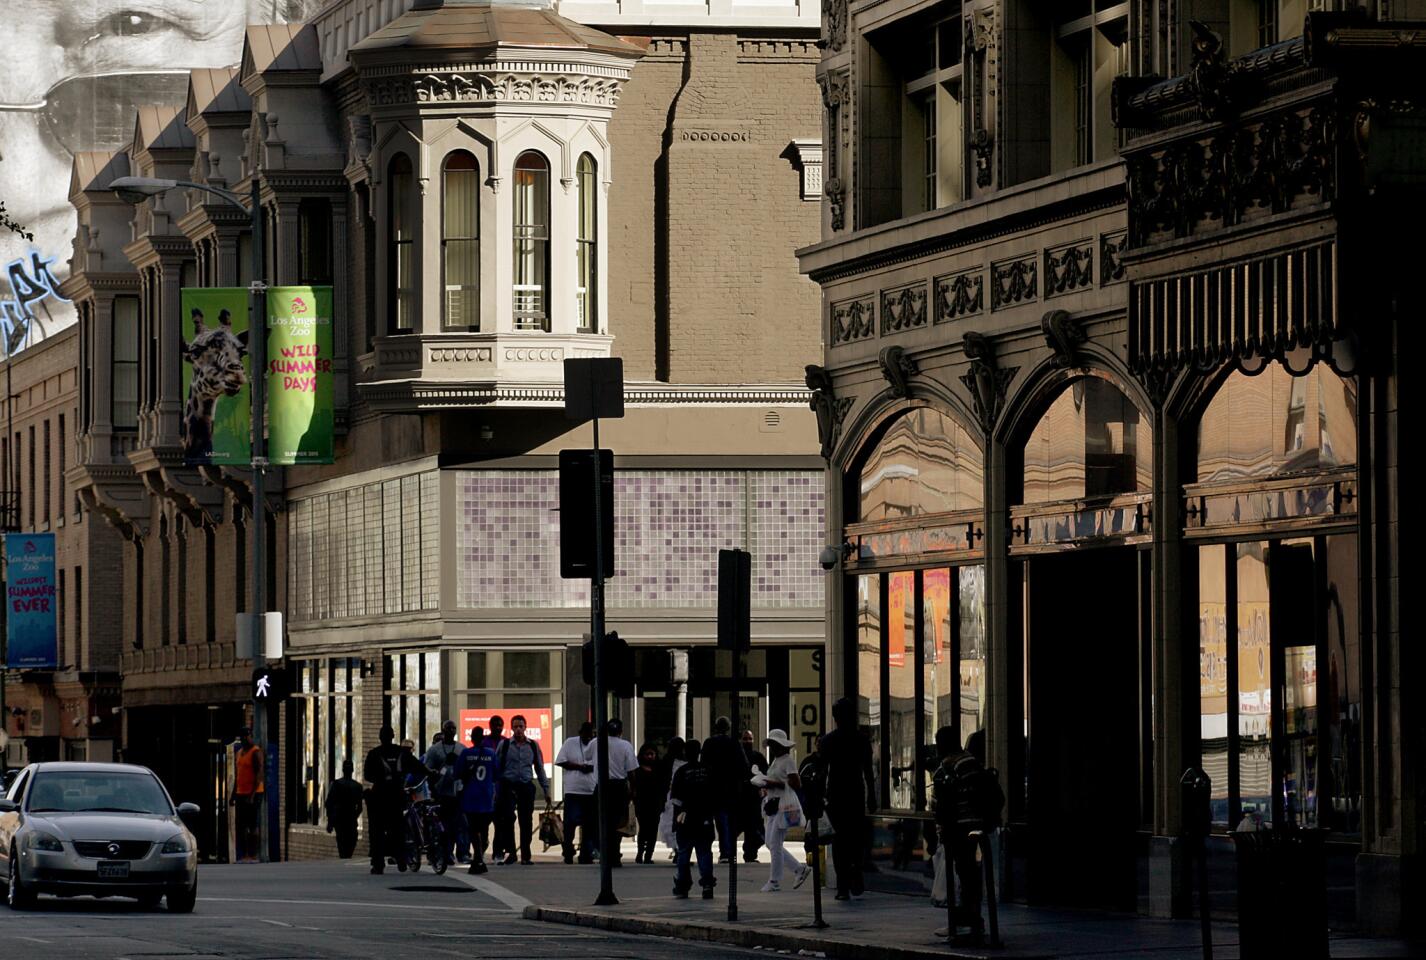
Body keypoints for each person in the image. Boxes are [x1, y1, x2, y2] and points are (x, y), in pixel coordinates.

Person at [931, 725, 1003, 944]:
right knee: (970, 872)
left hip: (959, 828)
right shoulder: (970, 762)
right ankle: (972, 918)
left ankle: (965, 920)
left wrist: (942, 829)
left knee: (965, 872)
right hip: (977, 825)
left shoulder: (947, 767)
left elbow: (941, 805)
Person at [818, 697, 876, 900]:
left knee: (840, 841)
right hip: (855, 793)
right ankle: (856, 869)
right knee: (856, 838)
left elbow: (821, 772)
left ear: (835, 717)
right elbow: (868, 771)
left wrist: (818, 797)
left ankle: (843, 885)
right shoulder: (862, 739)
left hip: (836, 794)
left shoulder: (827, 741)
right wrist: (873, 796)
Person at [363, 725, 427, 874]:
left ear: (380, 737)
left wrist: (381, 779)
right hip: (397, 796)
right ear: (393, 736)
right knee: (398, 829)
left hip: (380, 796)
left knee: (377, 831)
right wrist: (430, 772)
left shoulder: (374, 754)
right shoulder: (402, 753)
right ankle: (401, 859)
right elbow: (418, 766)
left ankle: (378, 863)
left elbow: (368, 775)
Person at [757, 729, 812, 892]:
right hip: (775, 805)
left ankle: (775, 880)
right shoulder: (776, 761)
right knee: (771, 843)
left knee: (774, 843)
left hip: (783, 806)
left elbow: (795, 783)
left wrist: (772, 783)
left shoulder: (787, 761)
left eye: (774, 745)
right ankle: (798, 869)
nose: (772, 748)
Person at [493, 714, 549, 864]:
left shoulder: (532, 745)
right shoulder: (504, 745)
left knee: (526, 821)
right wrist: (495, 789)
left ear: (525, 728)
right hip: (508, 785)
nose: (518, 730)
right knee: (508, 819)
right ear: (511, 728)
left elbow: (539, 767)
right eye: (515, 726)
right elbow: (496, 767)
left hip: (525, 785)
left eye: (521, 726)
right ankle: (511, 852)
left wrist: (545, 789)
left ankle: (526, 854)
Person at [669, 739, 716, 899]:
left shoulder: (681, 772)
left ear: (685, 753)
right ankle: (707, 884)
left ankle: (683, 885)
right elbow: (714, 796)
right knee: (704, 853)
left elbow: (675, 800)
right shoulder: (708, 770)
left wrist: (676, 821)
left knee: (683, 853)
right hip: (704, 818)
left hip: (686, 818)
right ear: (699, 752)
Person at [700, 716, 744, 863]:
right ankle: (727, 851)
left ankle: (717, 851)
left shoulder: (709, 743)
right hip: (730, 787)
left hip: (713, 786)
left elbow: (703, 764)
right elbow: (743, 765)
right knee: (727, 820)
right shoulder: (733, 743)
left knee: (715, 820)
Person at [598, 718, 640, 867]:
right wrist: (633, 790)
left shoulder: (597, 742)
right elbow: (631, 771)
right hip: (618, 786)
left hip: (602, 785)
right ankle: (614, 854)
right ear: (621, 732)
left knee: (603, 821)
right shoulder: (625, 746)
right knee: (617, 822)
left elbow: (588, 760)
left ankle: (605, 853)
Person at [457, 725, 498, 874]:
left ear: (472, 738)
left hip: (470, 797)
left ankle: (478, 857)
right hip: (486, 797)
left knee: (473, 829)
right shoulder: (491, 754)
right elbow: (496, 774)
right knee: (483, 828)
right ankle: (480, 855)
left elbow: (457, 773)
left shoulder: (465, 754)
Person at [554, 721, 597, 864]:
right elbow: (560, 761)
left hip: (591, 790)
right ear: (580, 733)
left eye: (590, 736)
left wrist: (590, 767)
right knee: (570, 823)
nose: (588, 739)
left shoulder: (597, 744)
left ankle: (586, 854)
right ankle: (568, 851)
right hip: (573, 790)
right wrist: (579, 767)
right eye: (585, 736)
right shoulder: (570, 743)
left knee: (589, 825)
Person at [423, 719, 464, 867]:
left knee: (455, 826)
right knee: (441, 826)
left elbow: (466, 769)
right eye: (448, 728)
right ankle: (439, 852)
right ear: (443, 730)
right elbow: (427, 769)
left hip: (456, 793)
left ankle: (449, 852)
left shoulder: (461, 749)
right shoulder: (435, 750)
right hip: (440, 793)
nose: (451, 731)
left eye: (453, 728)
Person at [230, 727, 265, 863]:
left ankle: (253, 854)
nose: (245, 739)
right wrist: (233, 795)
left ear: (251, 736)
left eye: (247, 736)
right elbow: (238, 776)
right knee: (241, 825)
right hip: (240, 793)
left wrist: (252, 794)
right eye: (243, 737)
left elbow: (259, 774)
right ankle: (244, 855)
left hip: (254, 794)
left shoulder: (256, 752)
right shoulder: (239, 753)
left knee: (252, 825)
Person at [324, 757, 364, 859]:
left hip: (340, 818)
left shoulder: (336, 784)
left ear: (343, 770)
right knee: (350, 841)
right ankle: (346, 856)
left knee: (342, 842)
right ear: (352, 770)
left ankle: (344, 856)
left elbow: (329, 803)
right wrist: (354, 816)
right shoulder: (357, 786)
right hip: (350, 818)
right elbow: (359, 807)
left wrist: (330, 821)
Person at [631, 743, 666, 863]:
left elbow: (662, 786)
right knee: (644, 828)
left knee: (653, 829)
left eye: (652, 754)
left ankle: (648, 855)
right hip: (642, 802)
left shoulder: (659, 768)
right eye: (648, 754)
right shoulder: (638, 770)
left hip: (655, 802)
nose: (650, 757)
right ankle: (640, 852)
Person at [741, 729, 769, 863]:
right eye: (745, 739)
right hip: (740, 798)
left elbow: (766, 774)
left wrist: (764, 788)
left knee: (756, 829)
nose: (747, 741)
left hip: (754, 798)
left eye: (749, 739)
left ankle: (751, 853)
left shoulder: (758, 757)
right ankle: (746, 853)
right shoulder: (738, 757)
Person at [483, 716, 508, 860]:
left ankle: (498, 851)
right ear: (490, 726)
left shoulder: (506, 742)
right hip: (485, 790)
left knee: (500, 823)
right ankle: (483, 844)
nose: (498, 727)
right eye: (495, 725)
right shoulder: (484, 742)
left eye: (500, 725)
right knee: (483, 822)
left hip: (501, 789)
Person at [656, 737, 687, 856]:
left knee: (671, 824)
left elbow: (661, 781)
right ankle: (679, 849)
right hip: (682, 796)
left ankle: (676, 849)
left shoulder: (666, 761)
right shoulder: (686, 761)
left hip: (670, 797)